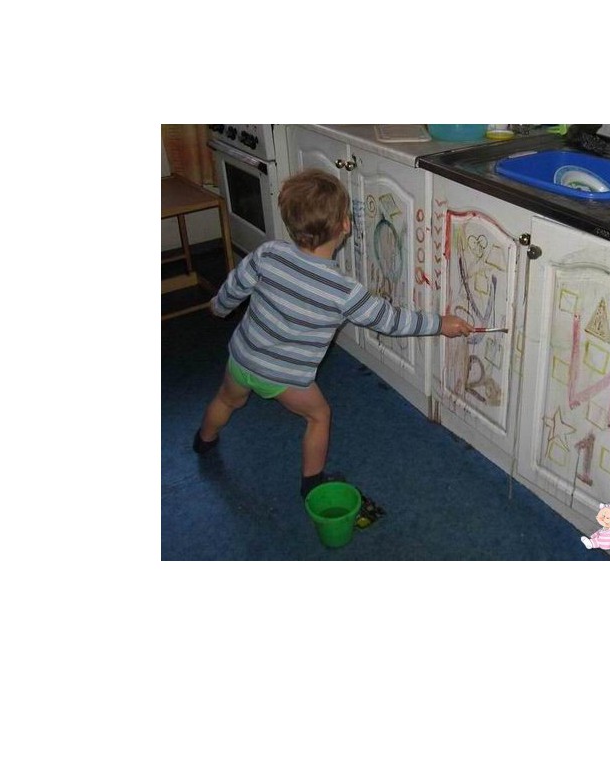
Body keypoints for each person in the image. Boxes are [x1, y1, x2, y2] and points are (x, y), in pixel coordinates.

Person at [194, 168, 473, 528]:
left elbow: (234, 288)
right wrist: (440, 323)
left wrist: (217, 308)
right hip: (287, 378)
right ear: (345, 225)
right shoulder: (344, 291)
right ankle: (311, 482)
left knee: (226, 399)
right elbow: (390, 320)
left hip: (243, 358)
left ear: (290, 222)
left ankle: (204, 440)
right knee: (319, 415)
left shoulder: (268, 254)